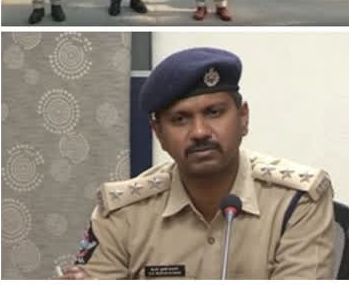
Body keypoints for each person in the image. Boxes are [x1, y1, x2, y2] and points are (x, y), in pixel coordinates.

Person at [58, 47, 334, 279]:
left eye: (214, 112)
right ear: (159, 134)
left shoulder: (298, 200)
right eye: (180, 119)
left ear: (243, 118)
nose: (200, 132)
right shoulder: (122, 210)